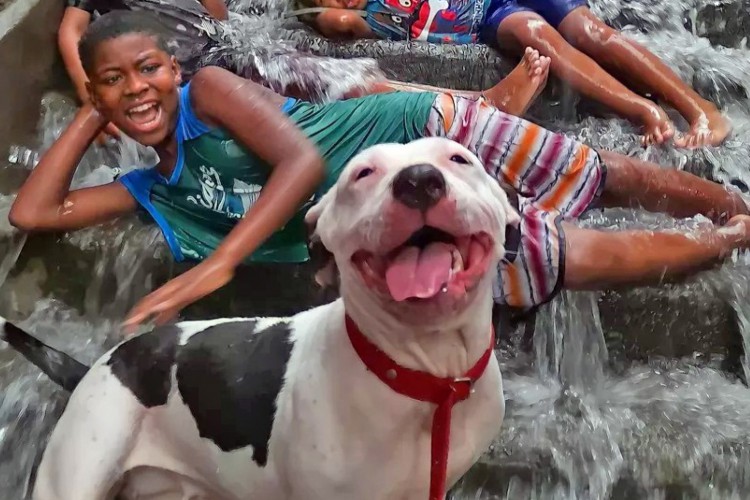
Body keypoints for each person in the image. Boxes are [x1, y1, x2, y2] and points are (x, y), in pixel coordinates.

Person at [9, 11, 750, 331]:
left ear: (174, 70)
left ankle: (729, 207)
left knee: (593, 173)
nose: (136, 88)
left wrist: (220, 265)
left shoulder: (209, 92)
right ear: (94, 89)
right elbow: (33, 215)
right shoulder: (153, 187)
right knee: (551, 258)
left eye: (147, 70)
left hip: (425, 128)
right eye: (114, 81)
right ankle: (725, 241)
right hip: (389, 213)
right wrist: (90, 113)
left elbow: (299, 162)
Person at [296, 0, 731, 149]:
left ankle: (700, 108)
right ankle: (642, 110)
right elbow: (329, 20)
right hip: (492, 18)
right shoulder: (357, 18)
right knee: (534, 32)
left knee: (588, 30)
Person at [60, 0, 229, 143]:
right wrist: (94, 103)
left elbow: (215, 9)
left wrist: (226, 35)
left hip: (211, 50)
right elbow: (72, 30)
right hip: (162, 69)